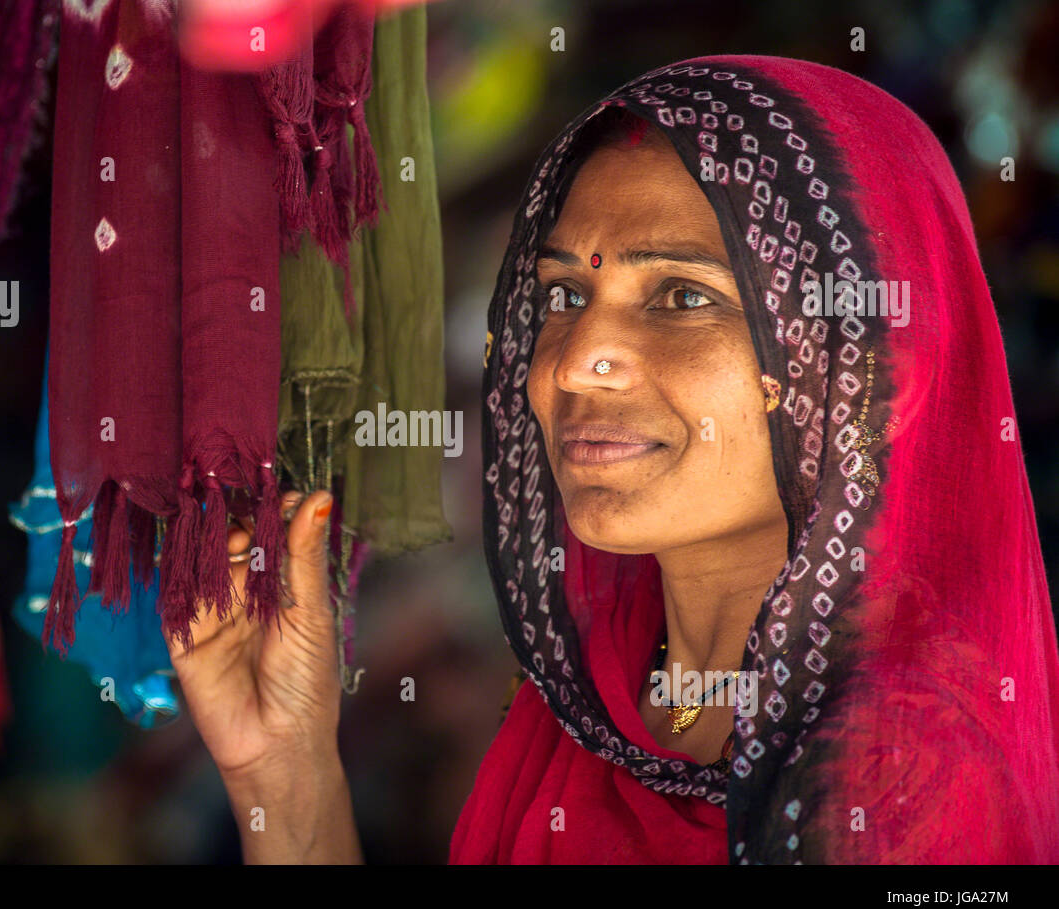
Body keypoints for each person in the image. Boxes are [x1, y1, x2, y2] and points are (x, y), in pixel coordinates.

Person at [160, 54, 1059, 864]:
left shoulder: (912, 778)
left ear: (878, 371)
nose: (576, 358)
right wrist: (284, 773)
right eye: (565, 292)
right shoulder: (600, 700)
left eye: (680, 294)